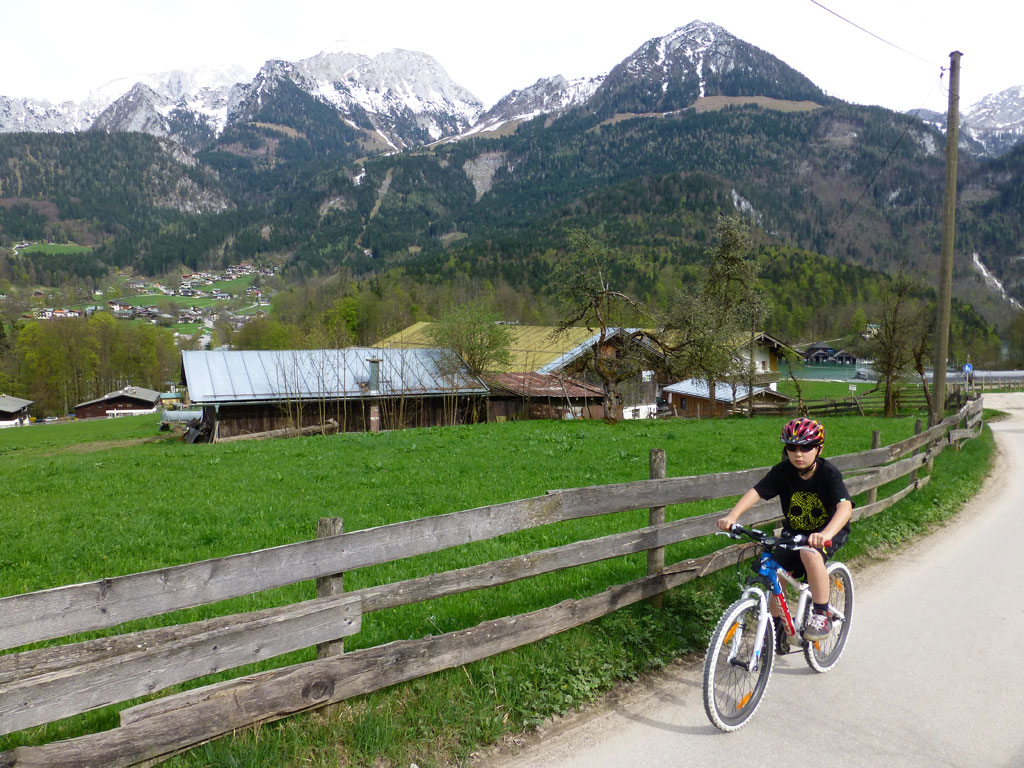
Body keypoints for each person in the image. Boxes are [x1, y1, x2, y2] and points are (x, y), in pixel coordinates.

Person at [717, 417, 853, 640]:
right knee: (774, 568)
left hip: (828, 531)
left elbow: (845, 507)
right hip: (795, 532)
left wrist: (826, 534)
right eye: (792, 447)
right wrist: (732, 517)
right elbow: (757, 492)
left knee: (809, 554)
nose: (798, 454)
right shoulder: (783, 471)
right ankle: (777, 626)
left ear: (819, 449)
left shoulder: (828, 473)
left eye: (806, 448)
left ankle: (822, 614)